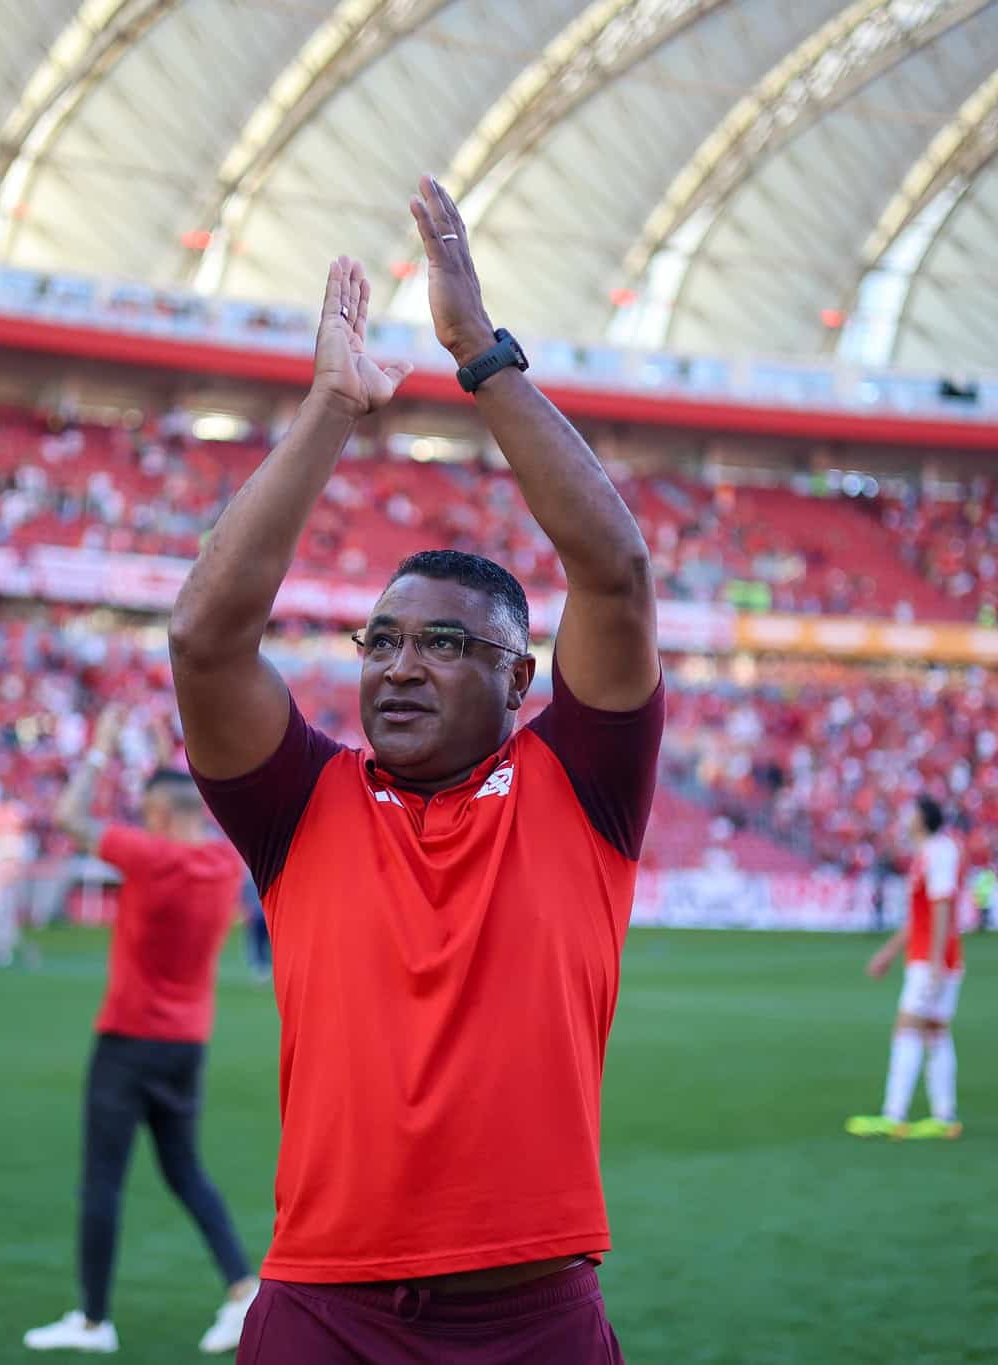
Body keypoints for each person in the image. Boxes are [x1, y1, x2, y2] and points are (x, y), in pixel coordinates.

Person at [169, 178, 660, 1363]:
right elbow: (203, 638)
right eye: (379, 641)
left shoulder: (579, 783)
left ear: (518, 677)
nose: (397, 666)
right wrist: (331, 409)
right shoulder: (301, 805)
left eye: (442, 644)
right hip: (320, 1311)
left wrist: (478, 356)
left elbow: (613, 574)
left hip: (530, 1318)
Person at [23, 707, 258, 1356]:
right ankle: (243, 1290)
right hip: (187, 1044)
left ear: (155, 814)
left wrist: (98, 753)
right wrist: (166, 761)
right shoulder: (221, 862)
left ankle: (94, 1319)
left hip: (127, 1040)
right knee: (186, 1171)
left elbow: (71, 819)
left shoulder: (148, 855)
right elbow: (184, 802)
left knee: (102, 1180)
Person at [847, 796, 964, 1141]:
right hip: (933, 957)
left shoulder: (939, 852)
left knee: (907, 1029)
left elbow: (942, 907)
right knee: (934, 1031)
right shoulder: (928, 853)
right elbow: (921, 917)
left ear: (924, 818)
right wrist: (889, 952)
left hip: (931, 960)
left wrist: (934, 960)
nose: (905, 816)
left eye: (911, 811)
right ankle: (944, 1117)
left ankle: (894, 1114)